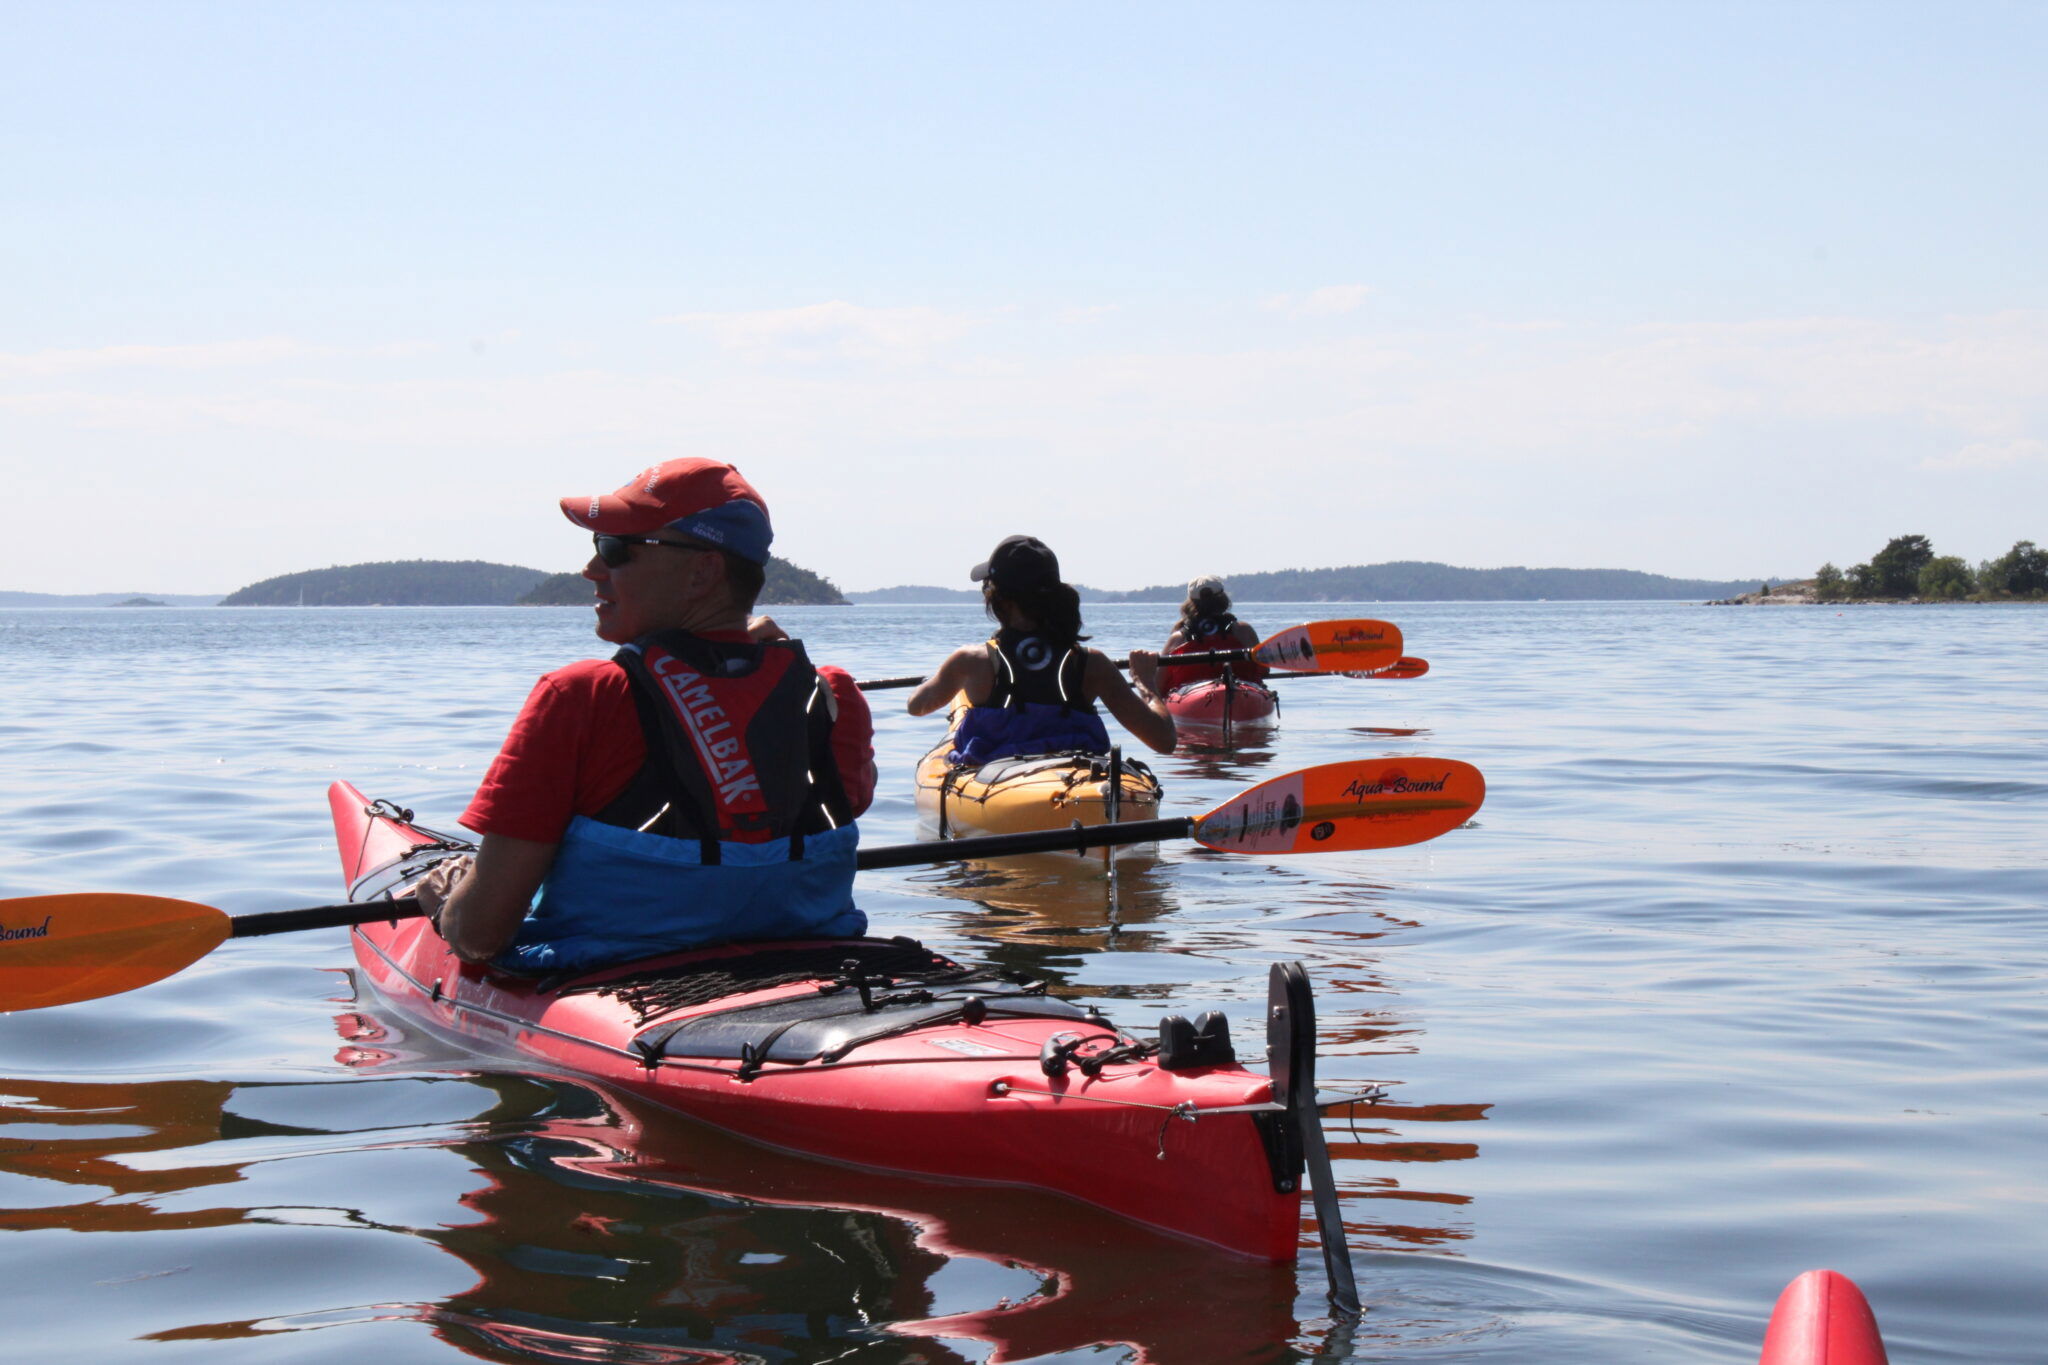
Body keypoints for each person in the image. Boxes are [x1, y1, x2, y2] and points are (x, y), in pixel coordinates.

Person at [411, 458, 877, 973]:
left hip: (623, 984)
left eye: (616, 549)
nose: (592, 570)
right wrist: (752, 664)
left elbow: (479, 935)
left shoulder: (580, 696)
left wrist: (450, 901)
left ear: (703, 570)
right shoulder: (830, 695)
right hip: (822, 965)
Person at [907, 535, 1175, 763]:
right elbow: (1164, 741)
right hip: (1075, 782)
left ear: (997, 596)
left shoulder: (970, 661)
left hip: (998, 787)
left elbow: (916, 706)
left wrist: (940, 678)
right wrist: (1146, 684)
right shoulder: (1091, 664)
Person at [1158, 575, 1265, 692]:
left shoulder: (1178, 638)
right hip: (1242, 693)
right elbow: (1264, 669)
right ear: (1224, 600)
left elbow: (1158, 683)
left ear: (1191, 603)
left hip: (1192, 700)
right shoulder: (1243, 630)